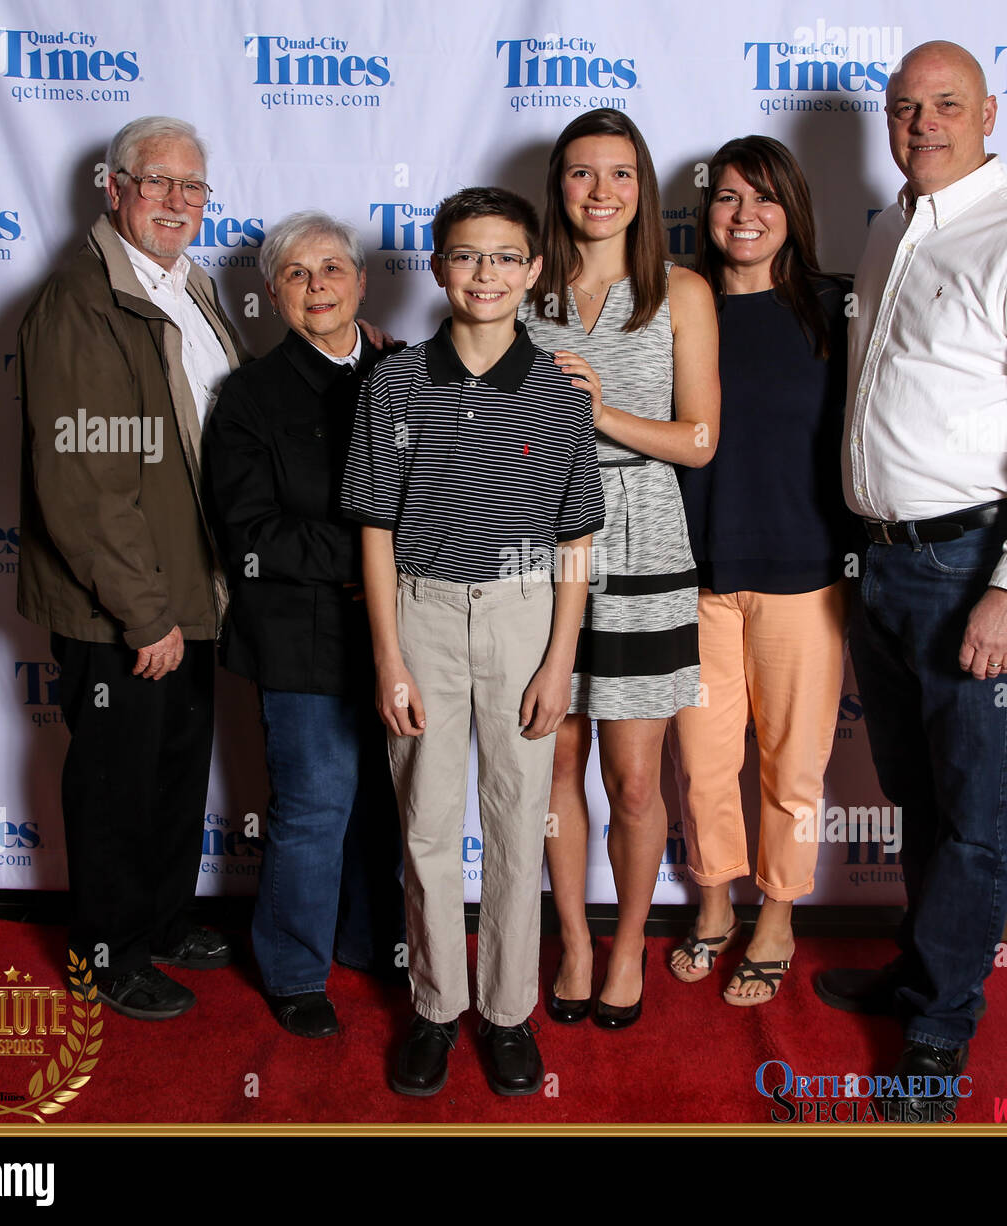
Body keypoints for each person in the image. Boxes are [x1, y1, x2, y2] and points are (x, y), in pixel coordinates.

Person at [814, 41, 1007, 1111]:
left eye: (944, 104)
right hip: (887, 564)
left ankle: (938, 1029)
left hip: (972, 565)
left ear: (989, 111)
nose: (921, 122)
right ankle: (918, 967)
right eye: (903, 106)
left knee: (975, 813)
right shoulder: (891, 228)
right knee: (917, 794)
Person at [341, 187, 604, 1095]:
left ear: (533, 271)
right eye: (464, 255)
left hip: (527, 613)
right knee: (423, 824)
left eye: (503, 257)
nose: (484, 274)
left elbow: (577, 536)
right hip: (418, 612)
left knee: (516, 823)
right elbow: (374, 525)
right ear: (439, 266)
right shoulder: (396, 381)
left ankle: (505, 1010)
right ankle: (434, 1005)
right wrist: (388, 654)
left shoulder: (563, 389)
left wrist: (561, 655)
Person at [17, 116, 246, 1019]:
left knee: (176, 772)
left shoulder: (192, 286)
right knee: (116, 785)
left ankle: (158, 920)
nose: (178, 203)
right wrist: (143, 613)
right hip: (124, 603)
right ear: (113, 188)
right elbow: (83, 477)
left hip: (191, 587)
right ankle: (106, 957)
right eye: (158, 183)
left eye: (194, 187)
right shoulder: (83, 300)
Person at [522, 109, 720, 1029]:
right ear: (557, 186)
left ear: (643, 189)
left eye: (620, 174)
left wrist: (600, 412)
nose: (600, 193)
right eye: (580, 174)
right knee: (552, 764)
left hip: (645, 542)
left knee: (635, 780)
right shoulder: (523, 289)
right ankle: (570, 938)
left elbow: (700, 439)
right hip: (537, 544)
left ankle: (630, 940)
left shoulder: (680, 291)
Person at [202, 211, 405, 1039]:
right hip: (300, 634)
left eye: (332, 268)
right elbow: (250, 533)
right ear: (274, 297)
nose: (318, 285)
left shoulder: (408, 372)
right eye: (297, 274)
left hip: (405, 633)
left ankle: (369, 939)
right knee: (315, 804)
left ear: (361, 281)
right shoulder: (248, 396)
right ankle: (293, 969)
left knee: (388, 805)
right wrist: (369, 557)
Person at [667, 136, 851, 1006]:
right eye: (729, 197)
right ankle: (713, 905)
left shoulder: (835, 309)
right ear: (705, 212)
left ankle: (777, 913)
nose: (745, 214)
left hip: (805, 576)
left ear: (793, 211)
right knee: (703, 762)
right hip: (693, 574)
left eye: (764, 197)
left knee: (794, 766)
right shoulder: (674, 306)